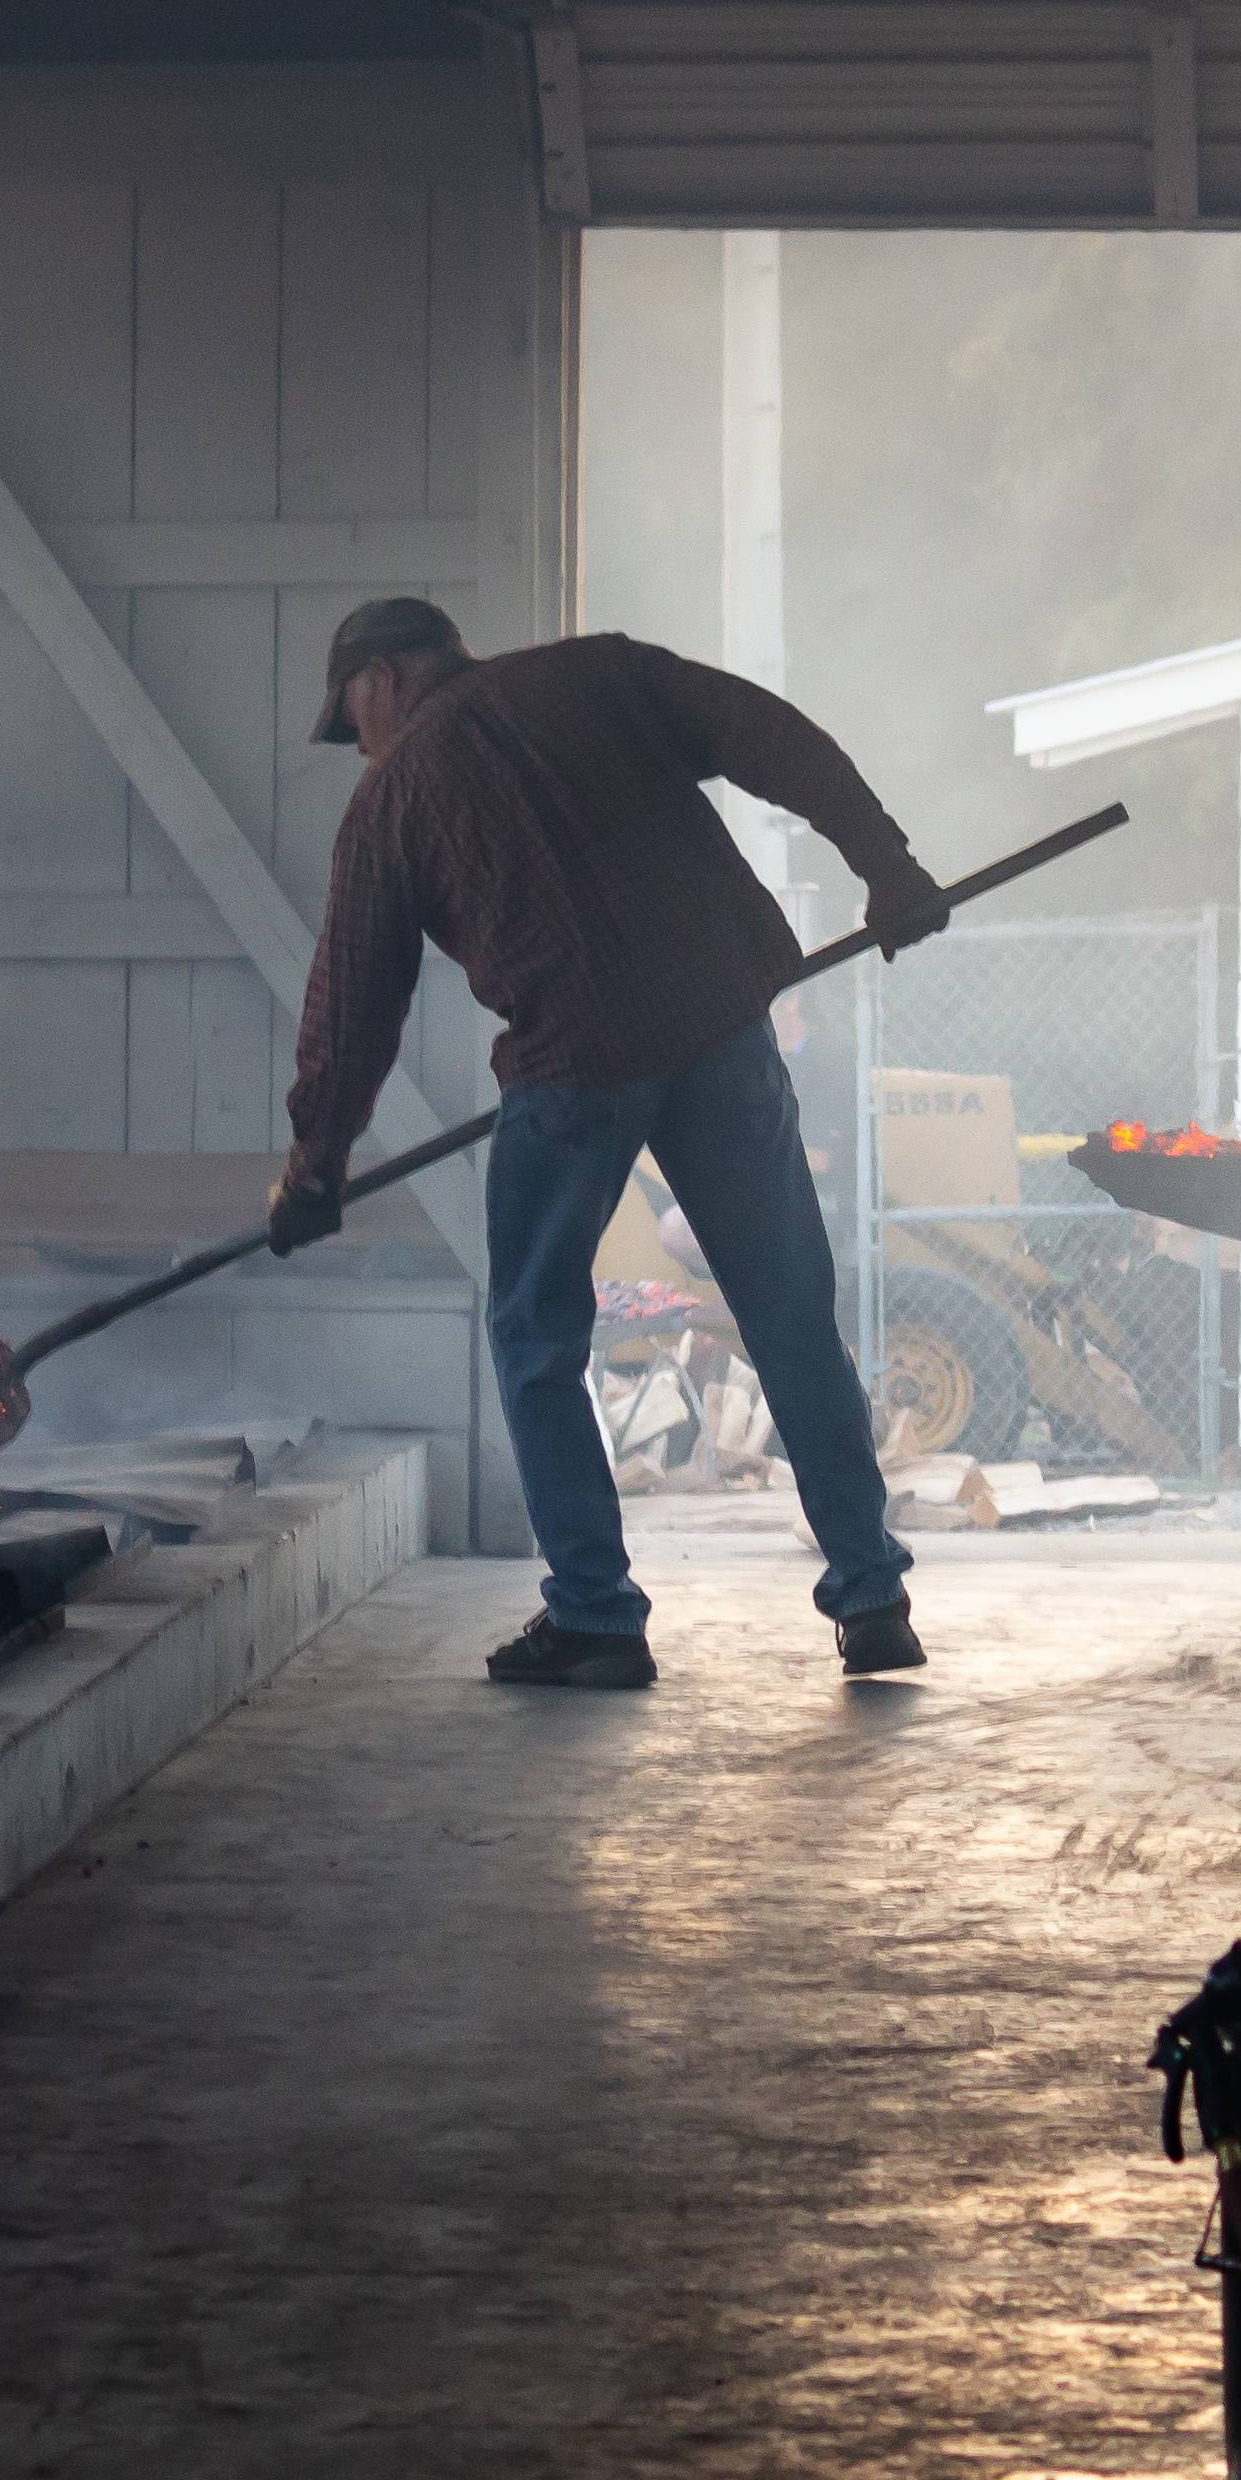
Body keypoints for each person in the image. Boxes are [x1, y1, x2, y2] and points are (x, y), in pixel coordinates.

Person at [266, 597, 949, 1686]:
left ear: (381, 678)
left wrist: (314, 1167)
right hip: (720, 1027)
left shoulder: (392, 800)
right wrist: (888, 865)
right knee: (787, 1312)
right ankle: (872, 1597)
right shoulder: (598, 676)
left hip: (574, 1064)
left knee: (538, 1335)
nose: (362, 745)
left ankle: (595, 1617)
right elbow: (776, 737)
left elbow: (353, 1005)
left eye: (353, 720)